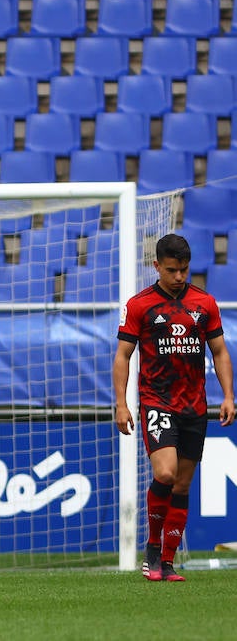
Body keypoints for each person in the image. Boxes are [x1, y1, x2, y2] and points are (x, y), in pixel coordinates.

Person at [113, 233, 235, 583]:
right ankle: (152, 549)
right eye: (172, 270)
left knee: (181, 486)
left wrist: (228, 396)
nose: (179, 277)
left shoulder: (204, 303)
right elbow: (123, 356)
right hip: (157, 401)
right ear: (156, 266)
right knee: (164, 474)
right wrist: (121, 404)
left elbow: (220, 352)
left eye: (183, 270)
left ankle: (166, 563)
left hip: (194, 405)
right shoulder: (139, 305)